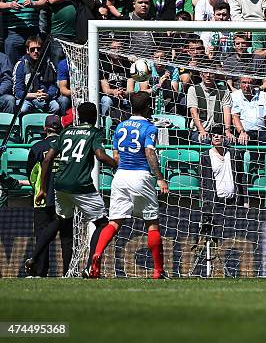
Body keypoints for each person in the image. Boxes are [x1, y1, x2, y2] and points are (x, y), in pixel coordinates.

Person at [90, 92, 170, 279]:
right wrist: (159, 178)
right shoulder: (149, 127)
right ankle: (158, 270)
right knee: (152, 224)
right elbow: (149, 153)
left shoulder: (120, 127)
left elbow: (116, 157)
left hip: (120, 176)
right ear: (149, 107)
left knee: (114, 222)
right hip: (140, 175)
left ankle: (97, 254)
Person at [34, 102, 118, 278]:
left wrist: (42, 188)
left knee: (59, 221)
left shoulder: (66, 132)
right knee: (102, 224)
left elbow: (47, 160)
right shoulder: (94, 133)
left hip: (59, 184)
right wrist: (117, 164)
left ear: (78, 116)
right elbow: (100, 156)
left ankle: (33, 258)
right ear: (96, 116)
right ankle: (89, 267)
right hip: (80, 185)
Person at [24, 115, 73, 277]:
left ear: (45, 129)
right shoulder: (68, 146)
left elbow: (32, 174)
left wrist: (38, 189)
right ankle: (68, 272)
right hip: (65, 198)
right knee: (66, 238)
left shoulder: (37, 148)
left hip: (43, 198)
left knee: (42, 237)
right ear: (61, 128)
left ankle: (40, 272)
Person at [200, 124, 248, 218]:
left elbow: (241, 178)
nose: (216, 136)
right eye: (213, 135)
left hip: (234, 201)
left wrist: (245, 201)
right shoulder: (206, 156)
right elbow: (203, 182)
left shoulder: (234, 154)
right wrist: (205, 203)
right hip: (215, 202)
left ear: (224, 137)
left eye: (218, 134)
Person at [186, 63, 233, 143]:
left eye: (211, 73)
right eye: (205, 72)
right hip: (199, 130)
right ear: (200, 74)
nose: (208, 75)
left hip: (218, 131)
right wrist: (202, 131)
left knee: (229, 141)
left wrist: (227, 131)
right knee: (205, 140)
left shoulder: (224, 91)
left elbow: (227, 112)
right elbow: (194, 113)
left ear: (215, 74)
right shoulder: (193, 89)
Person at [13, 36, 61, 115]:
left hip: (45, 97)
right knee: (23, 109)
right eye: (32, 49)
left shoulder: (48, 63)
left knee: (56, 107)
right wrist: (34, 95)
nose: (36, 51)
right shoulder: (21, 65)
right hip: (27, 99)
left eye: (38, 49)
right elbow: (17, 92)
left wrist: (47, 95)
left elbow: (54, 85)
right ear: (27, 50)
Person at [0, 0, 47, 65]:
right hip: (13, 31)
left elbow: (43, 2)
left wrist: (33, 3)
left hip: (33, 31)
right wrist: (10, 5)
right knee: (12, 64)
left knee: (35, 64)